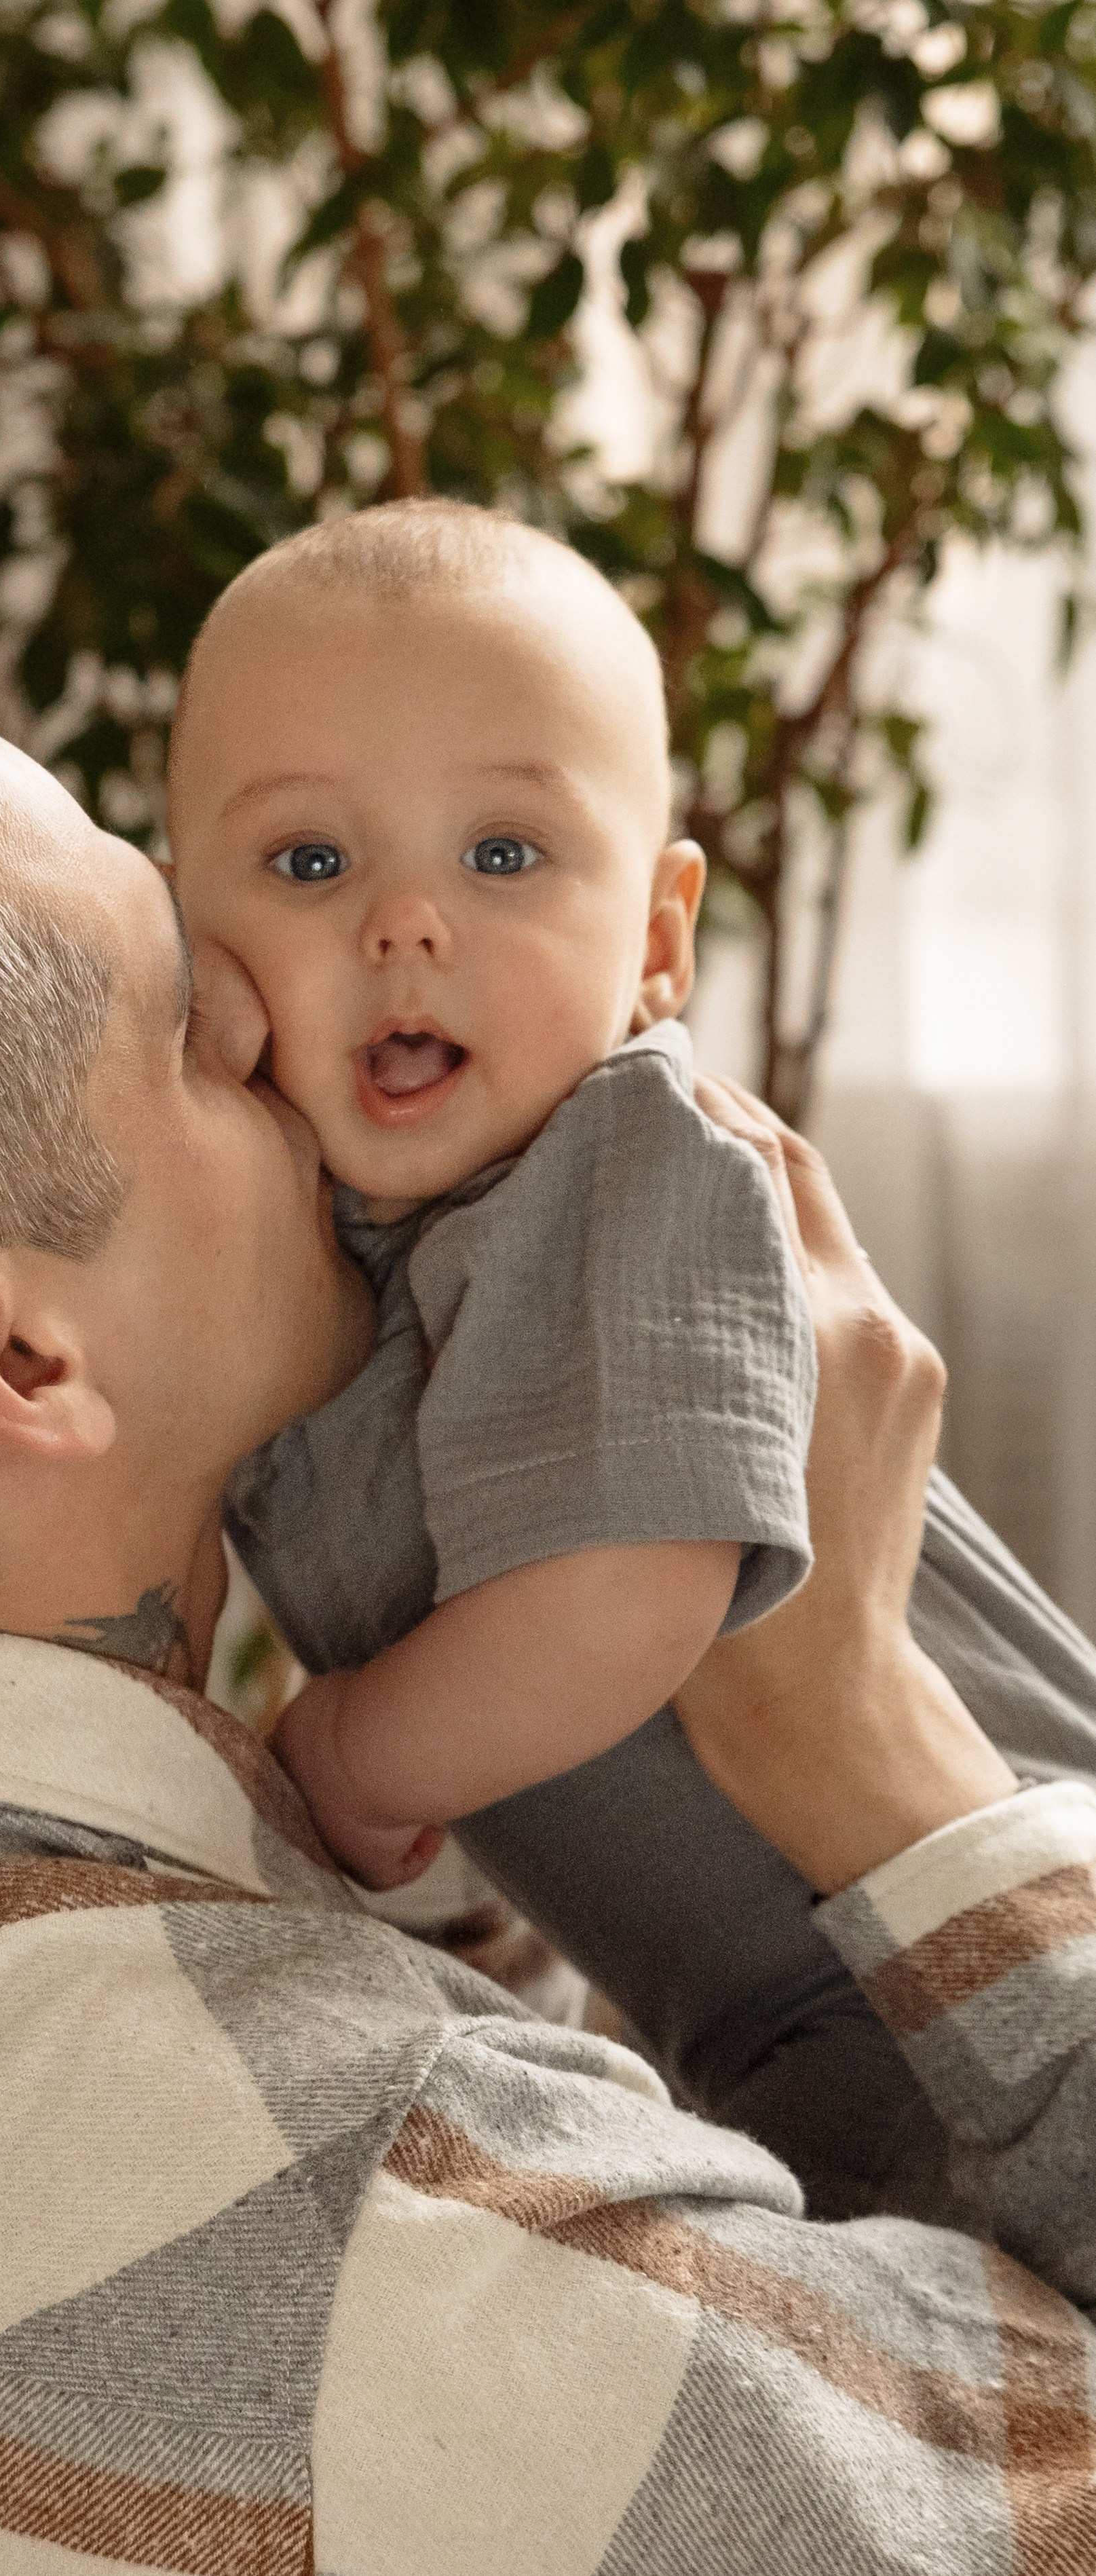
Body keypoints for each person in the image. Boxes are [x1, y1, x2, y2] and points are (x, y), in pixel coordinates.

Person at [0, 627, 1093, 2572]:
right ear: (22, 1357)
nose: (289, 1021)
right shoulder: (432, 2268)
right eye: (194, 1025)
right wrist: (865, 1733)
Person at [170, 496, 1096, 1949]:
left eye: (500, 855)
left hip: (989, 1924)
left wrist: (342, 1754)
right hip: (789, 2018)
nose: (405, 923)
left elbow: (618, 1602)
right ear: (184, 934)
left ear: (656, 943)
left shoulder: (637, 1154)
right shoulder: (304, 1256)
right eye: (308, 862)